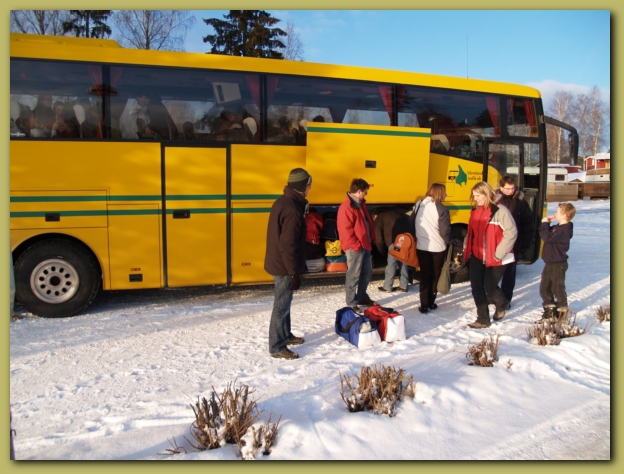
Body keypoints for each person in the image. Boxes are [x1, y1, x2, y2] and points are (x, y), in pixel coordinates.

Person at [264, 168, 313, 360]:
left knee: (285, 302)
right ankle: (277, 346)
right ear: (302, 186)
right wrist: (293, 272)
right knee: (281, 305)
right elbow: (288, 244)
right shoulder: (292, 209)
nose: (310, 188)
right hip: (284, 266)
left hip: (279, 262)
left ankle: (285, 334)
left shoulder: (283, 201)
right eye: (308, 185)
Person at [464, 182, 517, 328]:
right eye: (474, 196)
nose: (475, 199)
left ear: (486, 194)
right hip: (477, 255)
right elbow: (471, 232)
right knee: (476, 287)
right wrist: (467, 248)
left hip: (496, 257)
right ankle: (483, 319)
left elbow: (511, 233)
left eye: (478, 196)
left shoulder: (500, 210)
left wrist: (499, 254)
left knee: (490, 287)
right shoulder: (475, 210)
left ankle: (502, 304)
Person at [337, 178, 377, 313]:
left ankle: (361, 297)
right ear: (359, 191)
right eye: (365, 192)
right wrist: (355, 245)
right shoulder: (347, 207)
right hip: (356, 247)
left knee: (366, 273)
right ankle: (351, 302)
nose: (366, 194)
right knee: (353, 275)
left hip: (364, 245)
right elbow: (345, 230)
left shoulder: (360, 204)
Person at [495, 176, 535, 305]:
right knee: (493, 274)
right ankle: (492, 296)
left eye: (512, 188)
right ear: (501, 188)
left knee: (509, 274)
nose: (511, 191)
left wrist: (525, 245)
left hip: (513, 244)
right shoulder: (494, 201)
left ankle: (506, 300)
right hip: (496, 243)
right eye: (507, 188)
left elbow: (528, 224)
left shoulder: (520, 203)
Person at [414, 183, 452, 313]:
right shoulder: (442, 208)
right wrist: (450, 242)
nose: (446, 194)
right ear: (440, 193)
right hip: (437, 247)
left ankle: (423, 304)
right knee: (435, 275)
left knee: (424, 275)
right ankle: (431, 302)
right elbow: (444, 231)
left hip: (421, 246)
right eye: (444, 192)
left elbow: (412, 222)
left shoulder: (419, 204)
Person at [537, 202, 575, 321]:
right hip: (550, 263)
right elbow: (545, 232)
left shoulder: (564, 231)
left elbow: (547, 237)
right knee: (544, 288)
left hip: (558, 264)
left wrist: (545, 223)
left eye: (558, 212)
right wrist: (547, 224)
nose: (555, 214)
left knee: (557, 288)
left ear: (565, 216)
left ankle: (562, 312)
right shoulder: (558, 228)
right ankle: (550, 312)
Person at [373, 208, 410, 293]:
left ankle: (387, 287)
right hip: (406, 239)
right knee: (403, 261)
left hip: (394, 241)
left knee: (391, 263)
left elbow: (378, 239)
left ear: (375, 216)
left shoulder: (379, 218)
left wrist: (381, 251)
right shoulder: (393, 214)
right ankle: (404, 286)